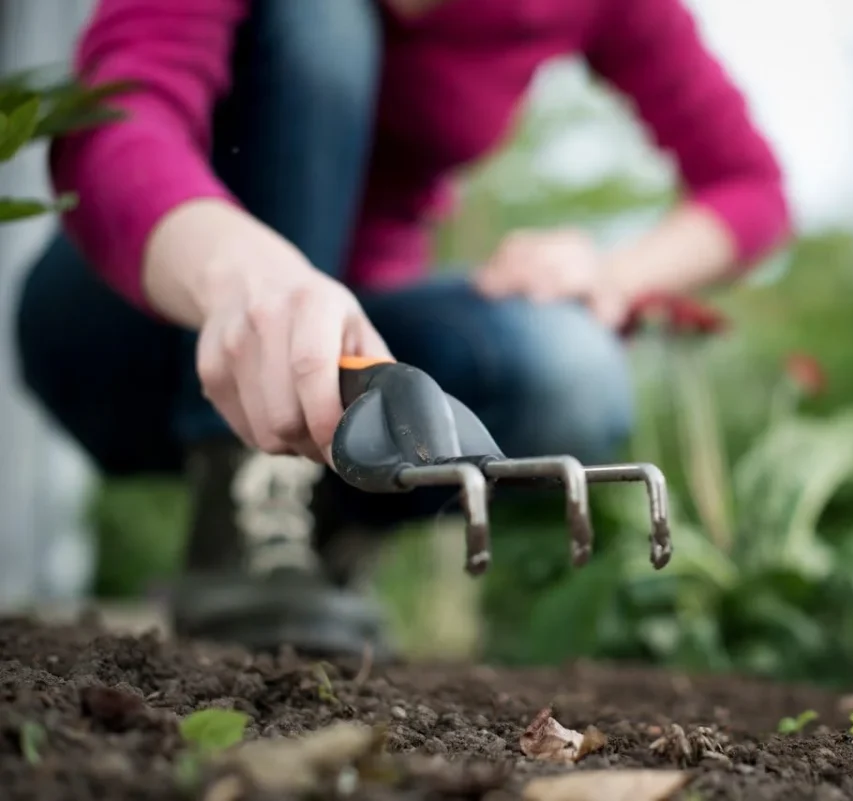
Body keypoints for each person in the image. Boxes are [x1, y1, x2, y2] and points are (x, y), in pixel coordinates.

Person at [15, 0, 792, 655]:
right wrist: (242, 275)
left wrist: (612, 276)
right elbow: (113, 114)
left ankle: (310, 525)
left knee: (572, 366)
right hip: (147, 307)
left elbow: (750, 185)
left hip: (357, 341)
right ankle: (244, 514)